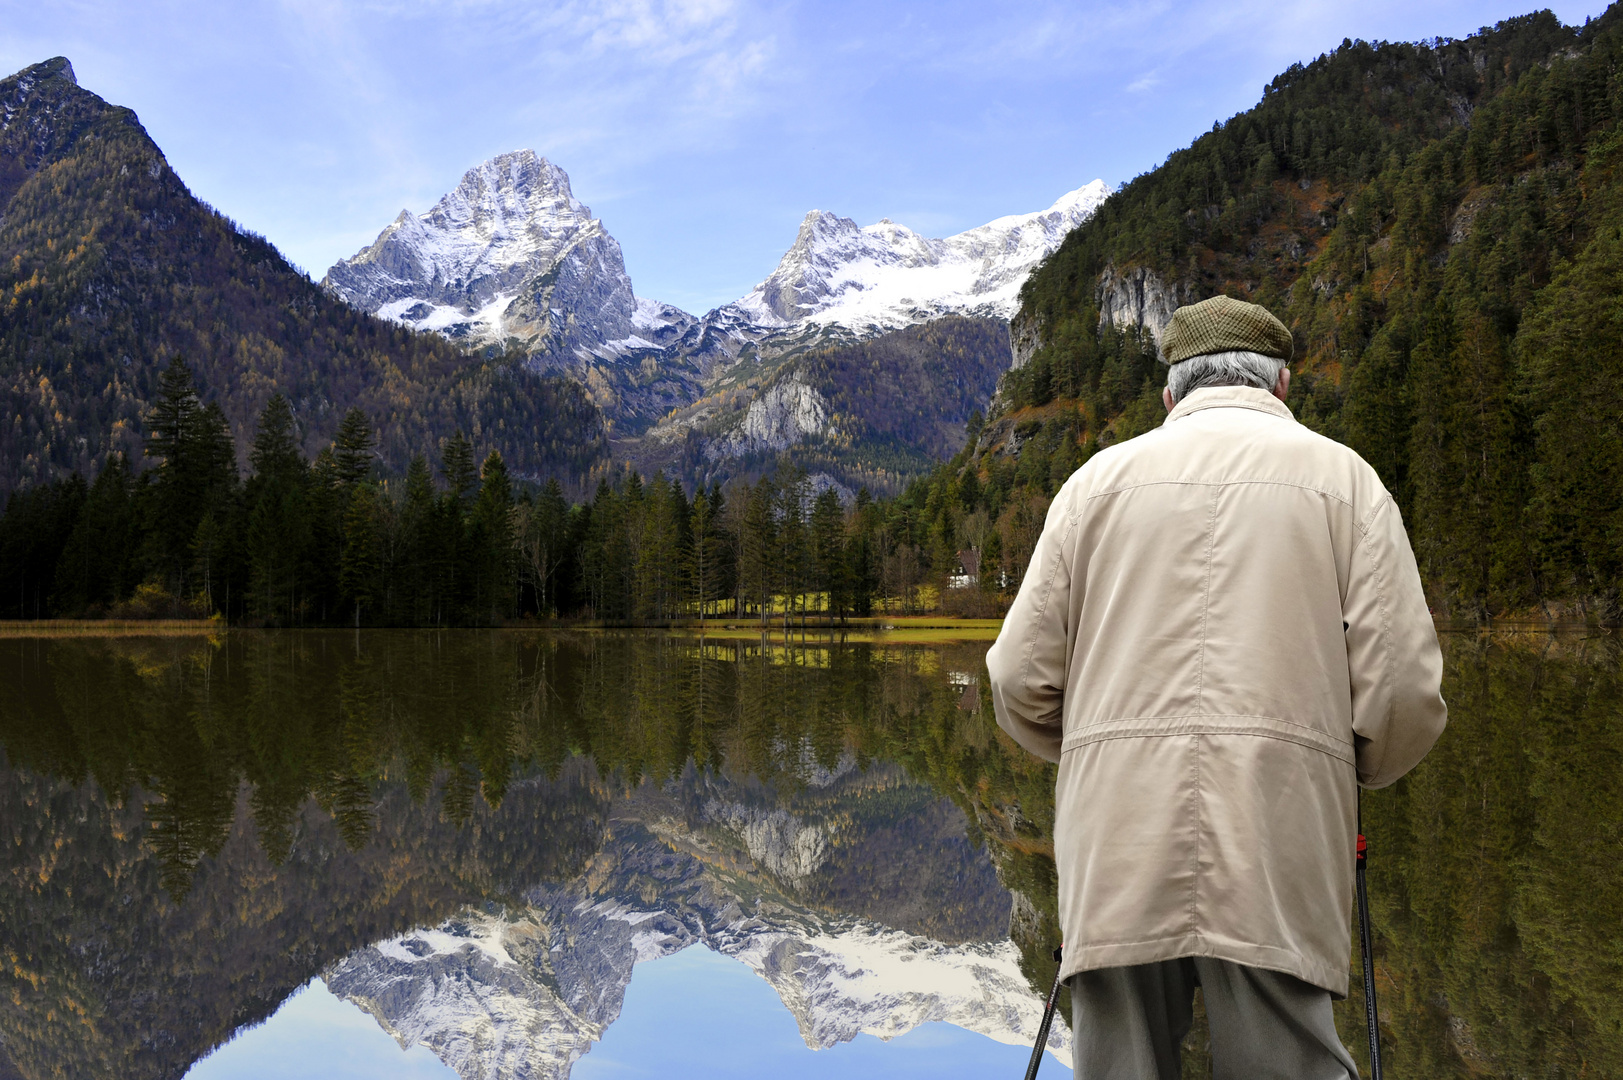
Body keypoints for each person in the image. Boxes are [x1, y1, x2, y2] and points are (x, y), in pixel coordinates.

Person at [986, 295, 1447, 1079]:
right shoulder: (1346, 482)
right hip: (1279, 824)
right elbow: (1402, 688)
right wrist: (1336, 767)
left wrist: (1103, 752)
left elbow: (1016, 679)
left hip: (1116, 831)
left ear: (1170, 393)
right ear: (1282, 385)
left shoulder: (1093, 485)